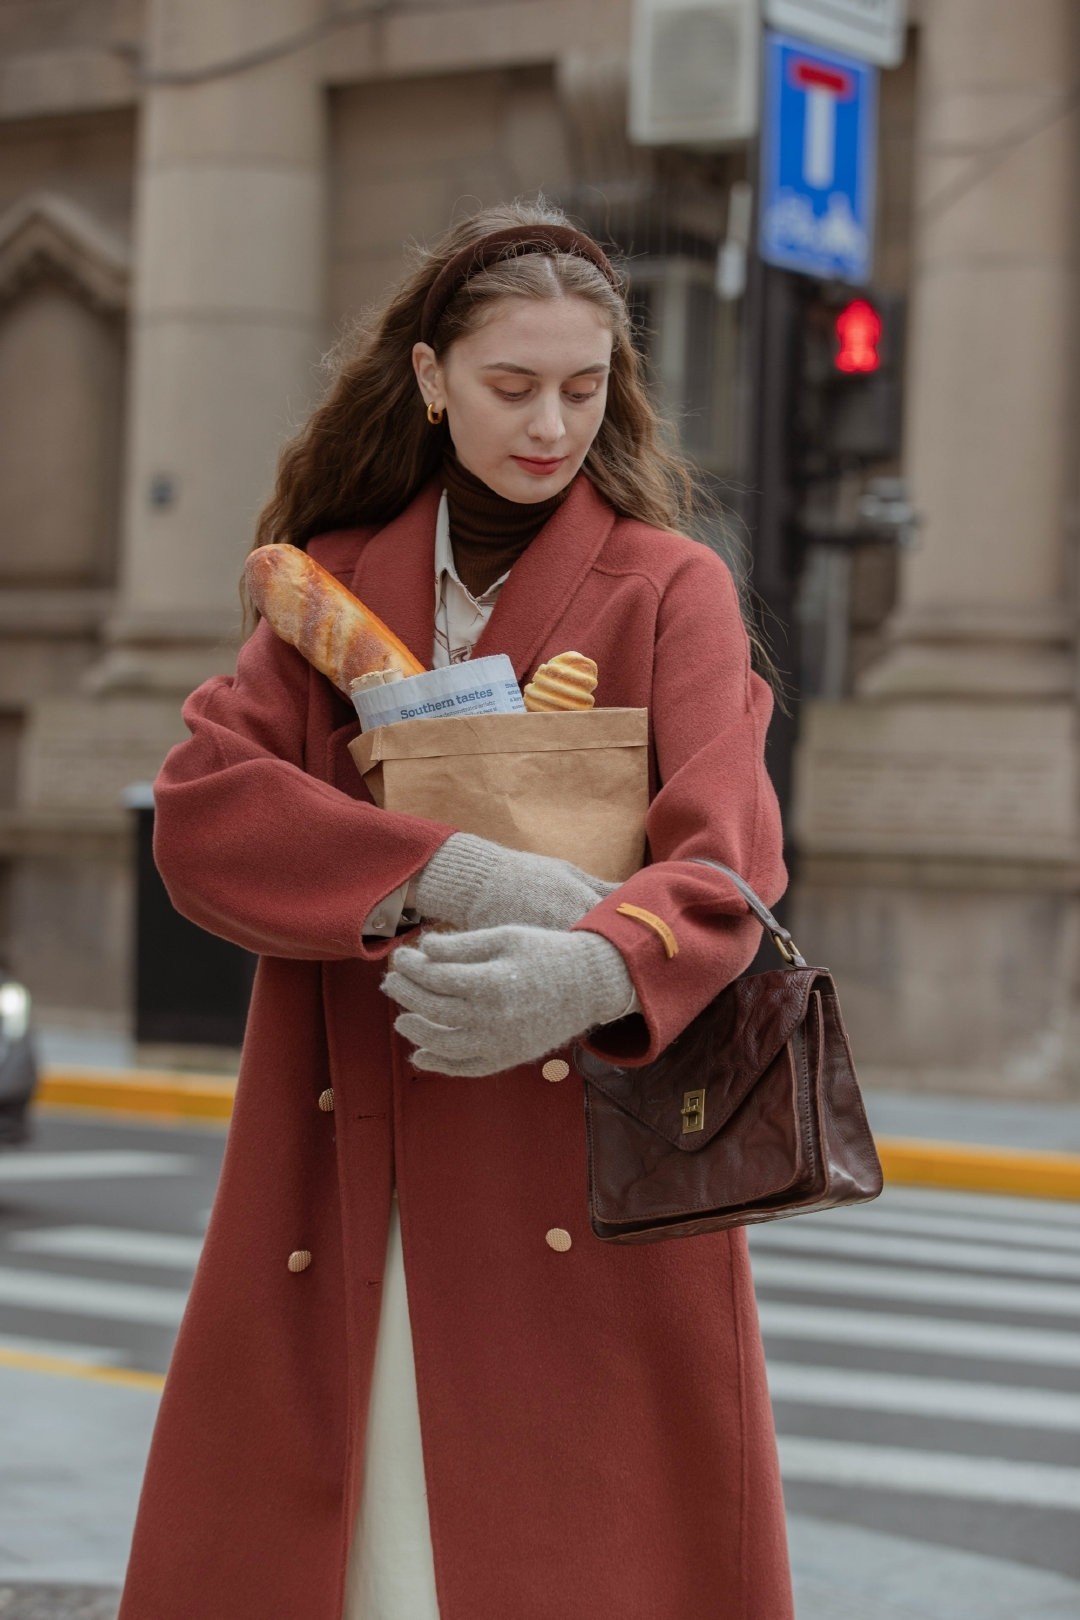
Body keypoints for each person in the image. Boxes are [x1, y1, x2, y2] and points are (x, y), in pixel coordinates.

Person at [118, 199, 794, 1620]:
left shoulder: (675, 588)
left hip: (587, 1166)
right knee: (361, 1566)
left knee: (577, 1560)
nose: (551, 423)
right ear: (430, 379)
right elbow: (200, 810)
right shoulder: (330, 588)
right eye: (510, 385)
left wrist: (597, 967)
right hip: (353, 1150)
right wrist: (440, 874)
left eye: (583, 386)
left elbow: (729, 861)